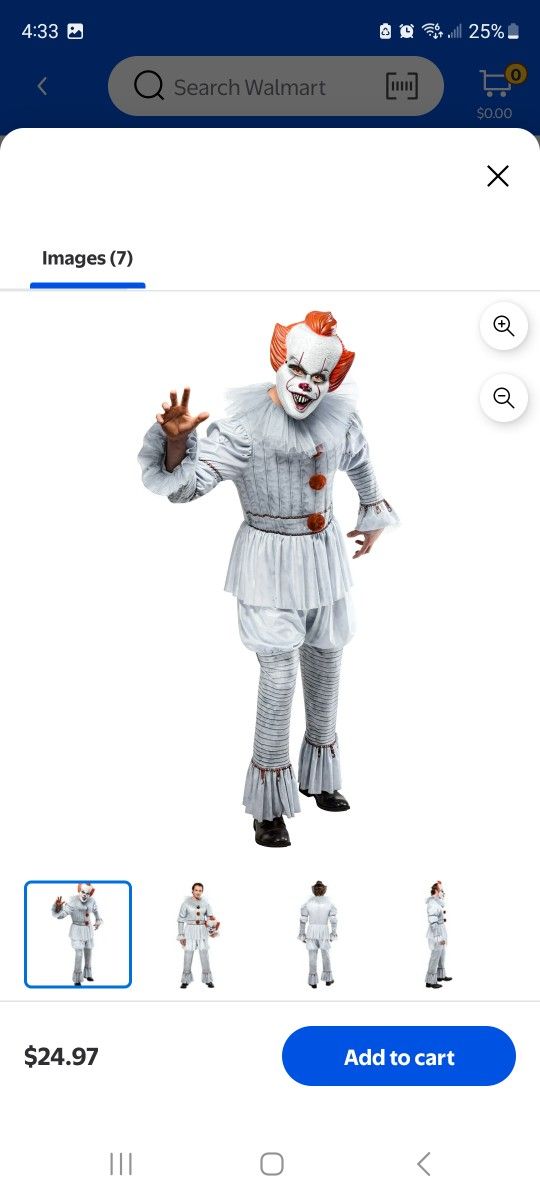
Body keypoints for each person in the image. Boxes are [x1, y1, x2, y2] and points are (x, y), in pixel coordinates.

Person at [139, 311, 397, 847]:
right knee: (279, 676)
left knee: (327, 659)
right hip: (268, 563)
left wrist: (372, 512)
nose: (306, 384)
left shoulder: (339, 418)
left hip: (324, 555)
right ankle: (269, 804)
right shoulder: (243, 429)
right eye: (298, 369)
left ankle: (320, 778)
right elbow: (185, 489)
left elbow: (360, 460)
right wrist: (175, 445)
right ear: (279, 362)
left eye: (319, 376)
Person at [52, 883, 102, 986]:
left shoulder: (92, 901)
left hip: (88, 930)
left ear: (90, 894)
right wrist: (58, 908)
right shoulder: (73, 901)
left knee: (88, 952)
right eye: (83, 892)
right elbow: (62, 915)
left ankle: (88, 974)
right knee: (79, 954)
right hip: (77, 930)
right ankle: (77, 978)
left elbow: (96, 912)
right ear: (79, 891)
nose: (84, 895)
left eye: (87, 893)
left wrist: (98, 920)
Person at [177, 882, 219, 989]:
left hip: (202, 930)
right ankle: (185, 980)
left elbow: (210, 918)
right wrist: (181, 934)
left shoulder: (206, 903)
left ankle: (208, 979)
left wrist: (212, 929)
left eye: (200, 890)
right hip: (190, 930)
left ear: (202, 891)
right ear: (192, 891)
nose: (198, 892)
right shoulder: (186, 903)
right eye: (196, 890)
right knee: (188, 954)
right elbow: (181, 919)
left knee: (204, 954)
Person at [299, 880, 337, 989]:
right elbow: (333, 920)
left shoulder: (308, 903)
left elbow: (303, 920)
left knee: (312, 956)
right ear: (324, 890)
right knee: (326, 955)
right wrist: (333, 933)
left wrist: (302, 934)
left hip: (311, 931)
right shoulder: (329, 903)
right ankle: (328, 979)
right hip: (324, 931)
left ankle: (313, 982)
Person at [425, 881, 452, 989]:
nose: (443, 892)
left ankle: (440, 975)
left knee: (442, 952)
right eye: (441, 890)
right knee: (435, 955)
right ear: (436, 890)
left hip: (441, 930)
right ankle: (430, 981)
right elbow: (433, 921)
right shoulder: (432, 904)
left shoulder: (438, 902)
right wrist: (437, 936)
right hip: (436, 932)